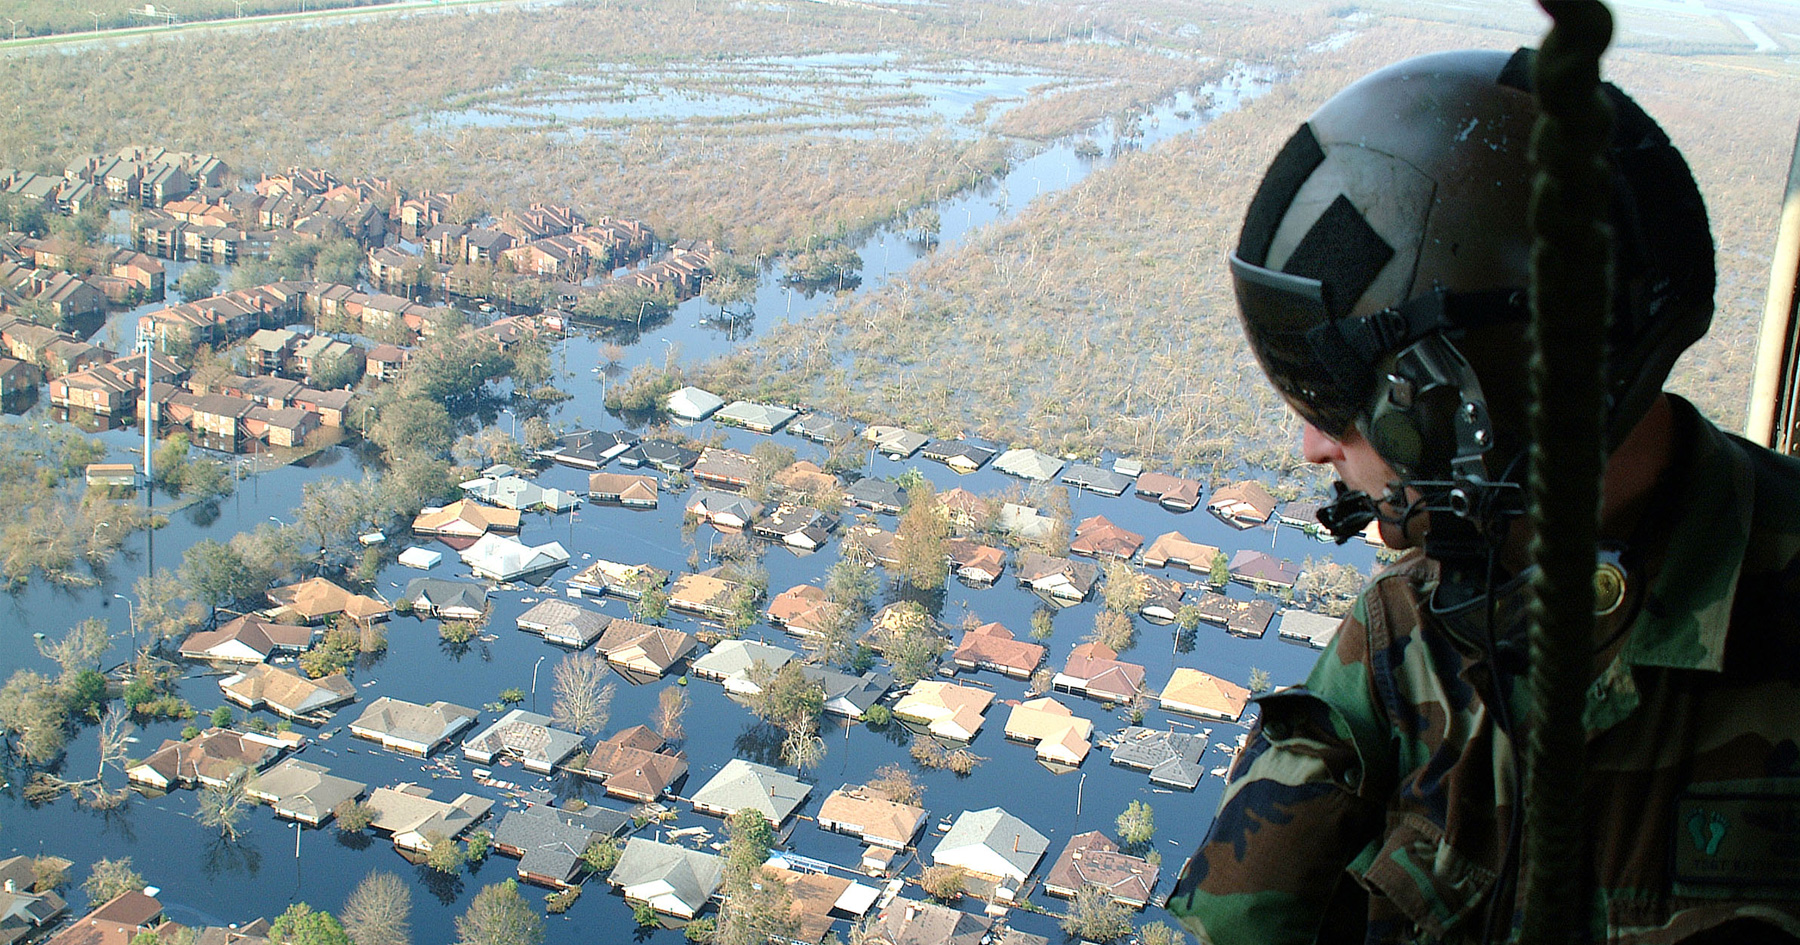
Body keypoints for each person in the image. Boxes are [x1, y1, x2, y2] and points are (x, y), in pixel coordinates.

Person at [1165, 47, 1800, 944]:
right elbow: (1238, 918)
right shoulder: (1406, 630)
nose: (1311, 444)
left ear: (1473, 402)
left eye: (1336, 404)